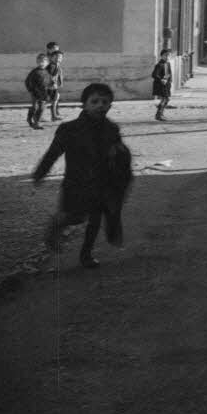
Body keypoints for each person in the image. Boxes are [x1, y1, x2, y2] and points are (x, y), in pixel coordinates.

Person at [33, 82, 133, 270]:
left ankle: (86, 254)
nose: (100, 105)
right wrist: (40, 173)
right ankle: (56, 225)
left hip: (102, 183)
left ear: (110, 105)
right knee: (76, 216)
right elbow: (53, 153)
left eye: (104, 102)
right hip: (76, 183)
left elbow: (119, 153)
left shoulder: (112, 129)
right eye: (94, 101)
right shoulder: (69, 129)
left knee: (95, 220)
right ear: (84, 104)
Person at [25, 53, 50, 130]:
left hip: (43, 93)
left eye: (43, 61)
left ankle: (36, 123)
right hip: (35, 92)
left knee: (42, 108)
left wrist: (51, 85)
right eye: (39, 61)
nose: (41, 63)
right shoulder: (34, 72)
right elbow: (27, 81)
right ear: (37, 62)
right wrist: (31, 90)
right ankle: (29, 119)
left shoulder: (46, 72)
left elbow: (49, 81)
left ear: (47, 62)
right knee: (35, 107)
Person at [151, 48, 174, 121]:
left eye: (168, 55)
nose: (167, 57)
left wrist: (169, 81)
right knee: (165, 99)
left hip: (166, 85)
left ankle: (160, 114)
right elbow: (154, 75)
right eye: (165, 55)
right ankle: (159, 114)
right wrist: (161, 80)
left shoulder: (167, 63)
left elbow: (169, 74)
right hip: (160, 85)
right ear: (161, 56)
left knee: (166, 99)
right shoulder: (159, 65)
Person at [44, 43, 64, 122]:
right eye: (54, 48)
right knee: (51, 99)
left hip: (54, 83)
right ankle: (53, 115)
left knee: (55, 98)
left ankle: (55, 113)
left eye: (57, 48)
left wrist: (59, 81)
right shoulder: (48, 60)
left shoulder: (56, 59)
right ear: (49, 49)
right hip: (50, 84)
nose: (56, 50)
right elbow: (49, 73)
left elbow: (58, 71)